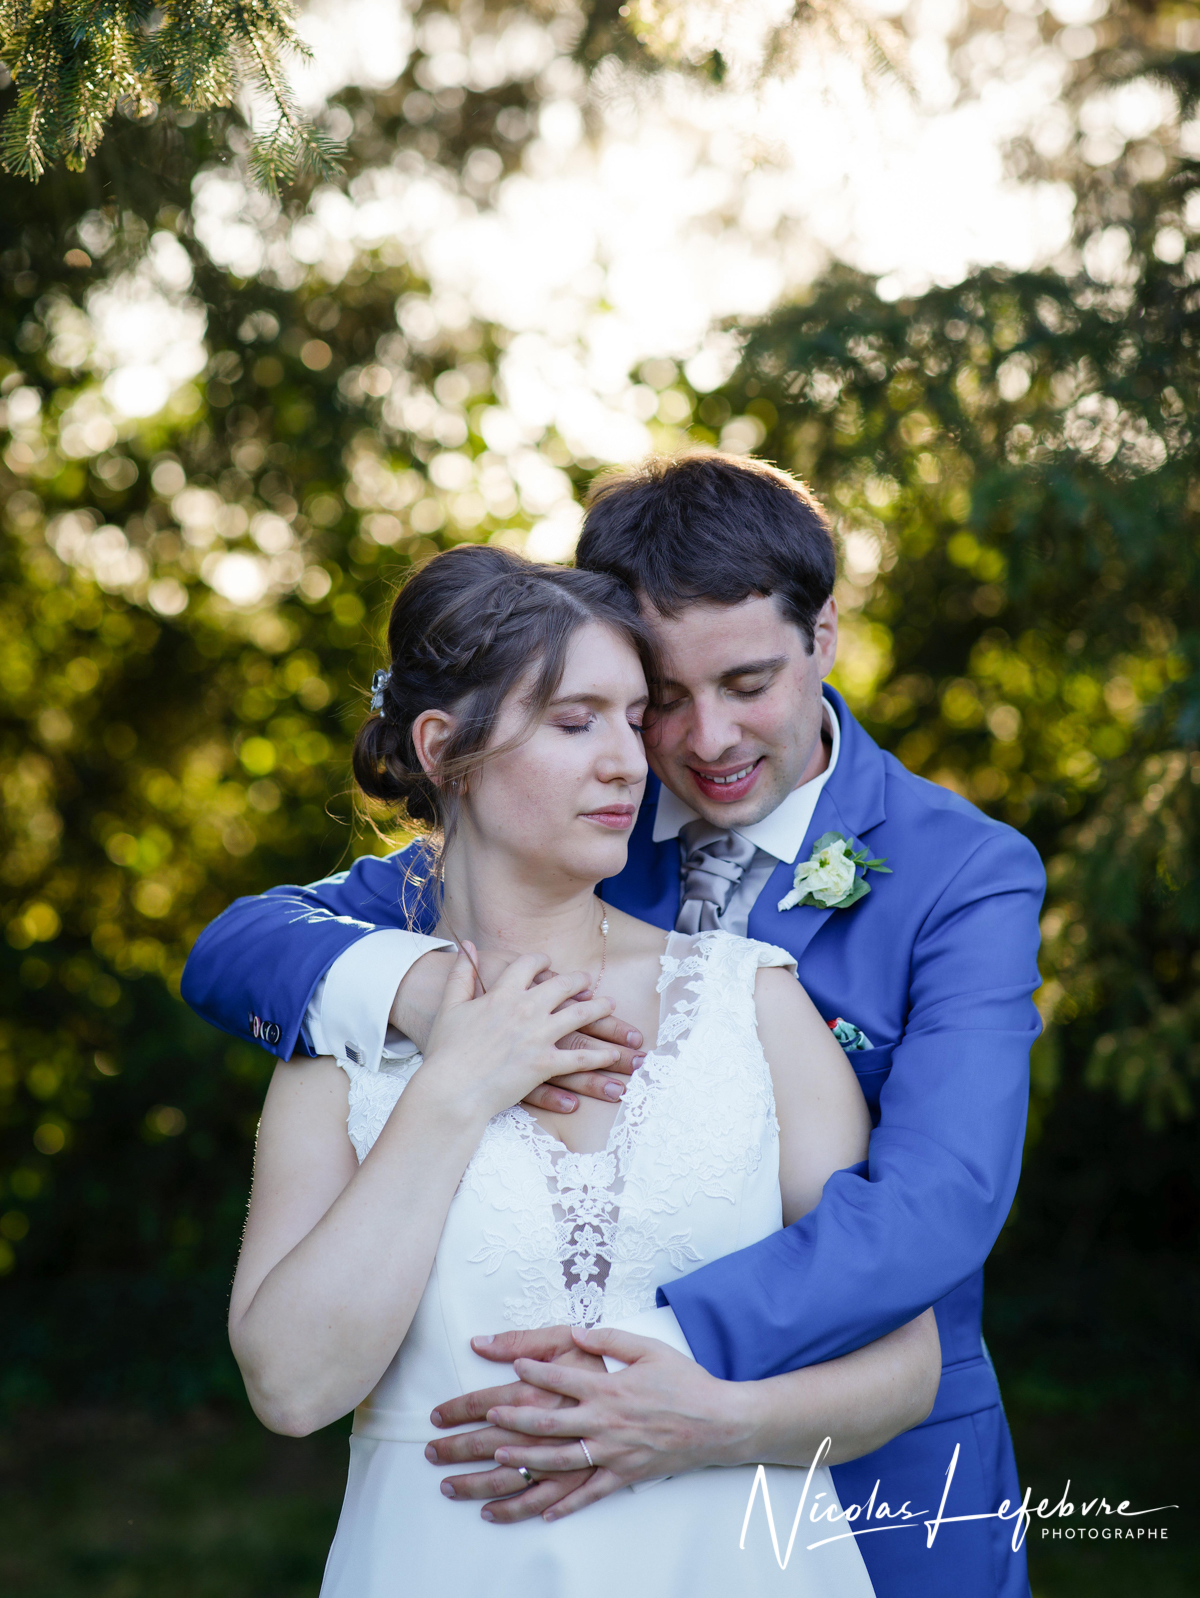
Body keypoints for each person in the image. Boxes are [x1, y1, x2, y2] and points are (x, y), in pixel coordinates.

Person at [184, 453, 1046, 1598]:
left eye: (747, 683)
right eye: (661, 701)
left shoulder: (958, 874)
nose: (701, 741)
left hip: (865, 1482)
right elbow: (242, 946)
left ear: (824, 635)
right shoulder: (548, 840)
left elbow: (936, 1207)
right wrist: (427, 998)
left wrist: (649, 1371)